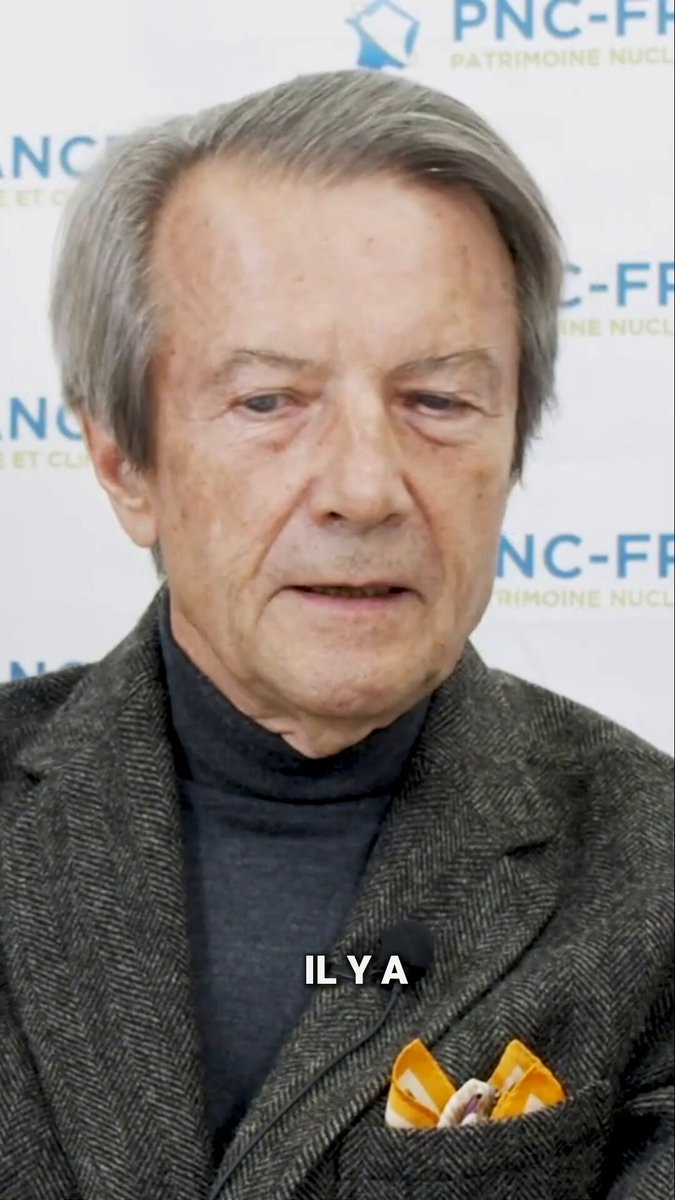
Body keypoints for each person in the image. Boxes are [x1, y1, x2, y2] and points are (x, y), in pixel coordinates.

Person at [0, 69, 671, 1200]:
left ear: (513, 449)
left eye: (438, 402)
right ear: (124, 462)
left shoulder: (652, 869)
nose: (364, 490)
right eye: (269, 402)